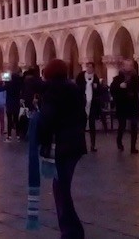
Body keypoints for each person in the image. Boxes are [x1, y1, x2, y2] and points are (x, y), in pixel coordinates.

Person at [38, 59, 87, 239]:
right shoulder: (73, 88)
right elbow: (83, 115)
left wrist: (39, 135)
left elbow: (47, 119)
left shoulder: (53, 91)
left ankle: (71, 231)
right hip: (75, 143)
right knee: (61, 187)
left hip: (61, 145)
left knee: (61, 189)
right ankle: (71, 230)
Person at [110, 59, 139, 154]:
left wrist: (132, 89)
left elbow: (138, 88)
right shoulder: (117, 78)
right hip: (122, 105)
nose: (129, 67)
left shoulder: (135, 77)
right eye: (127, 65)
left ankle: (133, 147)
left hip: (133, 104)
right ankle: (119, 141)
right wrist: (120, 86)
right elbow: (112, 90)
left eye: (130, 65)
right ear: (123, 66)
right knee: (122, 126)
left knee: (134, 126)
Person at [75, 62, 102, 152]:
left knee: (92, 125)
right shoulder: (80, 77)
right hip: (82, 104)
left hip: (92, 105)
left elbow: (99, 91)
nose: (89, 69)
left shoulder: (96, 78)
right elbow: (77, 88)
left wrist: (96, 87)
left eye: (91, 67)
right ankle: (81, 145)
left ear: (93, 68)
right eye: (88, 67)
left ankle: (93, 145)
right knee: (81, 126)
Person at [2, 72, 22, 141]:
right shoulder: (19, 84)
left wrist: (3, 81)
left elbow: (0, 89)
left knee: (9, 120)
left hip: (9, 104)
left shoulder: (9, 84)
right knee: (16, 120)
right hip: (16, 104)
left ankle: (9, 136)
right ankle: (18, 135)